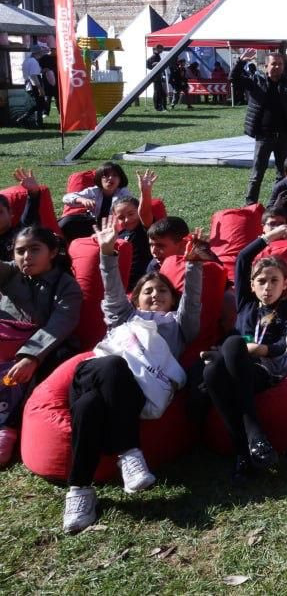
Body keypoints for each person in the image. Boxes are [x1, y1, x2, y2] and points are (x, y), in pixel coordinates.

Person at [61, 224, 211, 533]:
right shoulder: (124, 316)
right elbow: (113, 290)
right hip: (94, 373)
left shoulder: (178, 328)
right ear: (136, 299)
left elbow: (193, 304)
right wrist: (107, 252)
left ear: (173, 299)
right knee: (113, 366)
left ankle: (79, 491)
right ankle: (129, 452)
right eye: (148, 291)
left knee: (89, 407)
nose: (155, 294)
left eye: (163, 291)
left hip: (132, 394)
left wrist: (194, 265)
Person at [192, 222, 287, 479]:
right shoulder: (246, 303)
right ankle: (247, 450)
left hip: (262, 370)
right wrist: (270, 236)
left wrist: (259, 349)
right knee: (213, 371)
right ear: (251, 286)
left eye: (274, 281)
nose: (268, 287)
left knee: (230, 348)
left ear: (285, 284)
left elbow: (284, 344)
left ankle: (249, 440)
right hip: (232, 365)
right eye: (261, 281)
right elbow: (243, 259)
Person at [0, 226, 83, 467]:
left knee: (57, 357)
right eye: (20, 251)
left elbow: (60, 324)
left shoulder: (66, 285)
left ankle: (10, 426)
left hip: (46, 349)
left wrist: (31, 356)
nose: (27, 257)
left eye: (35, 250)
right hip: (7, 343)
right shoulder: (10, 273)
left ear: (53, 251)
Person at [232, 50, 287, 205]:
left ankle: (277, 204)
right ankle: (250, 205)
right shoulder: (256, 81)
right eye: (273, 64)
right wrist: (241, 62)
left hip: (284, 136)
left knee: (283, 173)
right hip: (263, 136)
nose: (277, 67)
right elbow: (234, 79)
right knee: (257, 174)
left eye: (280, 64)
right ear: (266, 66)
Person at [60, 162, 133, 242]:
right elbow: (66, 198)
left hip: (114, 225)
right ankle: (63, 244)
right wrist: (83, 200)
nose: (110, 178)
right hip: (93, 222)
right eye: (106, 176)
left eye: (115, 175)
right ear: (99, 179)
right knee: (67, 221)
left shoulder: (123, 192)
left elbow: (130, 206)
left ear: (120, 179)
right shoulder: (94, 191)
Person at [145, 46, 167, 113]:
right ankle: (157, 107)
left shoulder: (157, 56)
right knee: (157, 92)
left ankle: (161, 106)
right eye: (161, 49)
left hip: (158, 76)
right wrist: (156, 64)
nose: (162, 50)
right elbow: (149, 65)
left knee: (161, 92)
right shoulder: (154, 56)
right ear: (157, 49)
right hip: (155, 77)